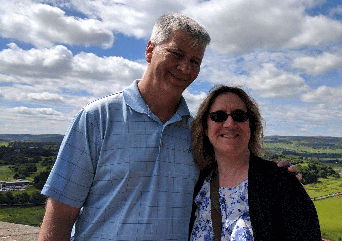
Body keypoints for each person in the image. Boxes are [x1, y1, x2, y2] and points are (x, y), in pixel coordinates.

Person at [37, 13, 296, 241]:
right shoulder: (98, 118)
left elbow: (231, 176)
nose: (185, 68)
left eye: (195, 61)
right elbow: (60, 214)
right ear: (150, 50)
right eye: (177, 54)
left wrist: (275, 178)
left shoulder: (198, 132)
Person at [189, 85, 321, 240]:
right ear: (205, 127)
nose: (230, 124)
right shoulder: (197, 182)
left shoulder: (280, 182)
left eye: (239, 115)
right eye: (218, 116)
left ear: (251, 126)